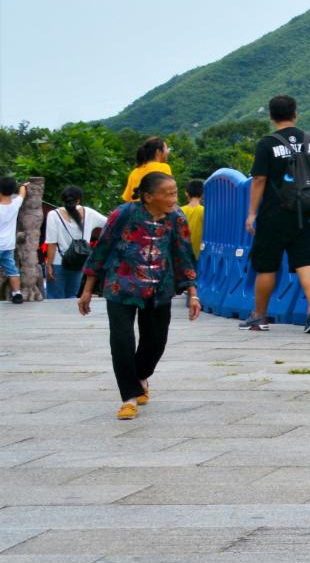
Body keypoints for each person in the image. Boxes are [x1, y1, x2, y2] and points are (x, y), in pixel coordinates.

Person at [78, 170, 200, 419]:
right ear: (147, 196)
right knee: (122, 341)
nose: (173, 199)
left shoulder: (177, 218)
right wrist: (87, 291)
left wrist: (193, 293)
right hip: (120, 286)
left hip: (159, 288)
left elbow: (183, 254)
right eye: (167, 194)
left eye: (175, 193)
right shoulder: (123, 214)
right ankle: (128, 397)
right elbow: (101, 250)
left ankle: (141, 375)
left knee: (155, 342)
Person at [246, 95, 310, 333]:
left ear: (271, 116)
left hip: (274, 213)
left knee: (267, 264)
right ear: (295, 113)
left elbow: (259, 178)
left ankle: (259, 316)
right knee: (305, 260)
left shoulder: (267, 143)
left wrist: (252, 213)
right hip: (306, 210)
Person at [45, 185, 106, 302]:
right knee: (72, 297)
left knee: (54, 299)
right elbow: (109, 223)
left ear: (63, 199)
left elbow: (52, 243)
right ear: (78, 200)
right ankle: (69, 319)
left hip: (58, 262)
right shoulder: (89, 213)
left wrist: (49, 266)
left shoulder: (53, 215)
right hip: (80, 262)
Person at [119, 137, 175, 204]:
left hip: (136, 212)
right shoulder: (163, 167)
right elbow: (169, 193)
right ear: (158, 152)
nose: (168, 152)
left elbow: (127, 200)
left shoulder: (135, 172)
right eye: (167, 149)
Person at [0, 176, 22, 303]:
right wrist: (24, 187)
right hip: (8, 246)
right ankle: (17, 294)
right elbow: (22, 194)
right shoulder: (15, 204)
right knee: (12, 270)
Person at [180, 179, 206, 254]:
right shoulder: (204, 211)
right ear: (203, 194)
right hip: (200, 253)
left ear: (186, 193)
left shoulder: (180, 211)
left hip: (183, 254)